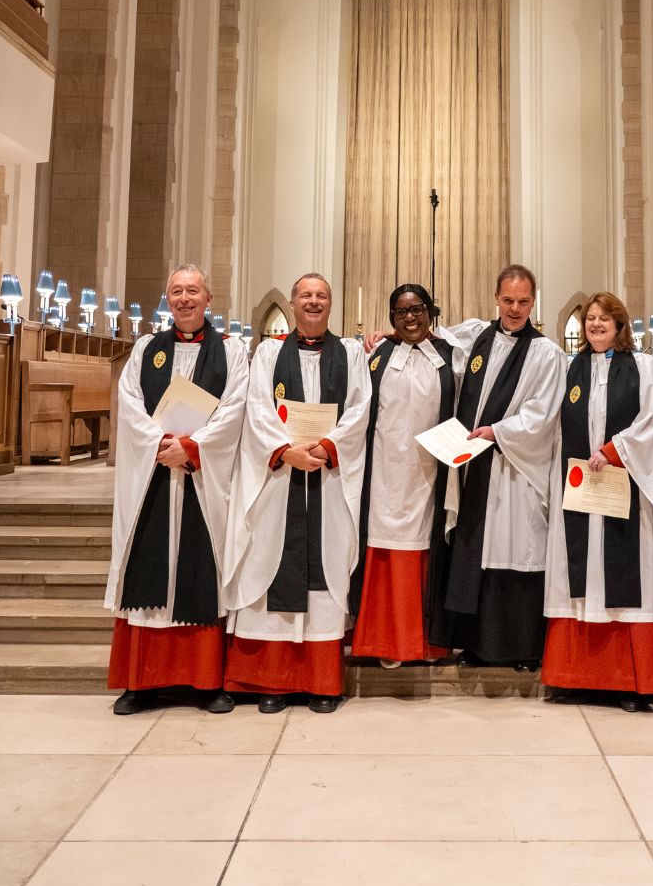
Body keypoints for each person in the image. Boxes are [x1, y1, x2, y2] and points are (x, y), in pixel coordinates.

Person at [223, 274, 371, 713]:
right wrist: (286, 451)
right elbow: (257, 408)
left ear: (331, 305)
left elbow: (360, 410)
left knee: (324, 572)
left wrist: (326, 448)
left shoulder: (350, 355)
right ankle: (273, 681)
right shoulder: (269, 352)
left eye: (321, 296)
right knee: (272, 565)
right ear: (291, 303)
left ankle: (322, 684)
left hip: (328, 479)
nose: (313, 302)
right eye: (305, 295)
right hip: (281, 480)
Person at [106, 265, 249, 716]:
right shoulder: (147, 348)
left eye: (193, 291)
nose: (184, 299)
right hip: (153, 476)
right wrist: (159, 446)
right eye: (176, 292)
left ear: (209, 298)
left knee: (201, 566)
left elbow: (235, 409)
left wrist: (192, 448)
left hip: (202, 480)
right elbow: (128, 403)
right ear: (167, 300)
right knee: (147, 564)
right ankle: (141, 683)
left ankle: (206, 682)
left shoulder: (232, 351)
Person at [428, 264, 565, 668]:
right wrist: (386, 336)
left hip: (516, 470)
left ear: (533, 302)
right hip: (474, 470)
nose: (515, 309)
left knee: (514, 552)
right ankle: (474, 645)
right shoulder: (476, 338)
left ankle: (521, 649)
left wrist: (498, 433)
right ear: (496, 298)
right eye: (508, 301)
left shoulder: (546, 353)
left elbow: (543, 416)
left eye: (523, 302)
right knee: (475, 553)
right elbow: (431, 343)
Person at [542, 292, 653, 711]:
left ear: (619, 324)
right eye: (589, 319)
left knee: (623, 580)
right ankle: (574, 678)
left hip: (622, 489)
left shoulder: (643, 367)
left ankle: (628, 682)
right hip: (580, 489)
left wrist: (614, 450)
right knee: (578, 576)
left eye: (603, 319)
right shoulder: (568, 367)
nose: (595, 324)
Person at [349, 283, 456, 666]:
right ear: (391, 318)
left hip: (429, 472)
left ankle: (425, 643)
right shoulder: (376, 356)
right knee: (384, 547)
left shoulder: (450, 355)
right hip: (383, 472)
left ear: (430, 311)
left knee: (426, 549)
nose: (410, 318)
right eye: (401, 312)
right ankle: (387, 643)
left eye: (417, 310)